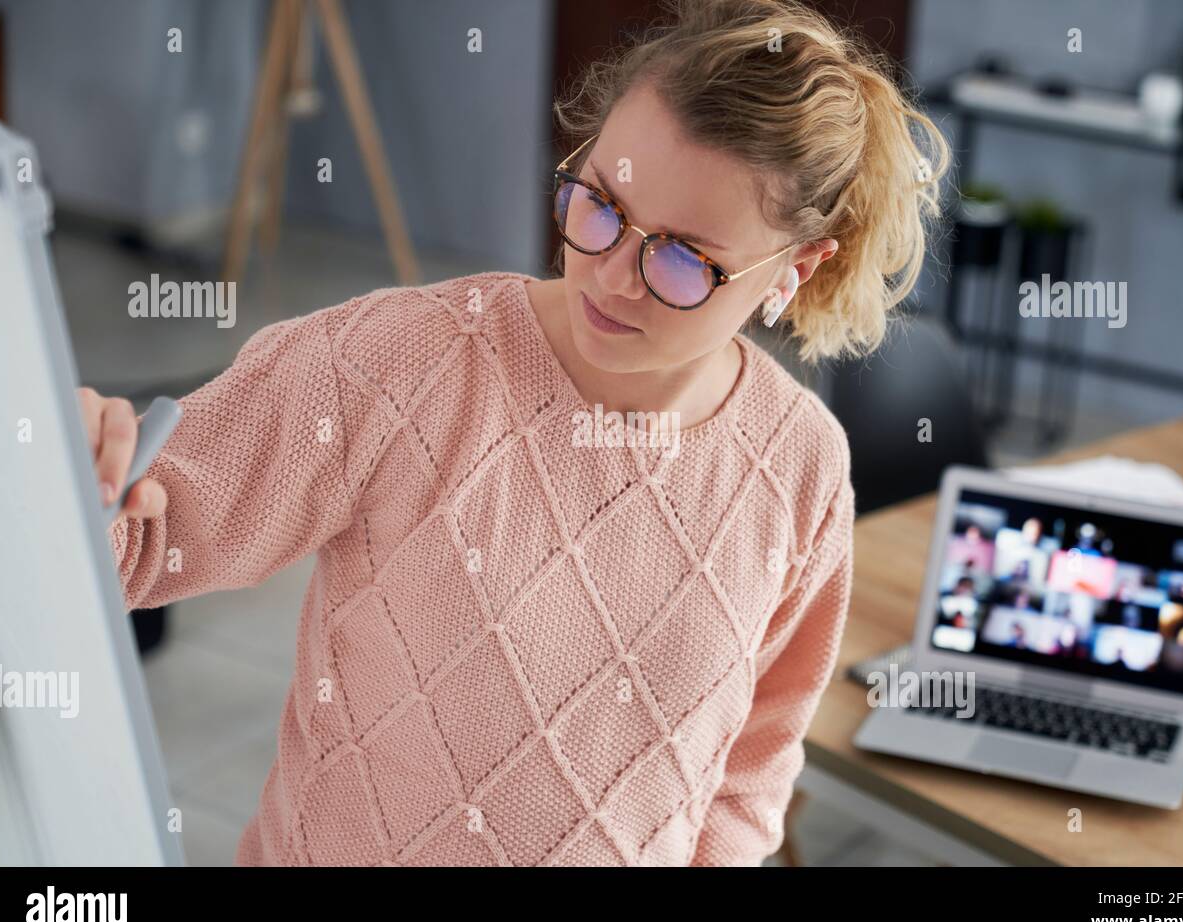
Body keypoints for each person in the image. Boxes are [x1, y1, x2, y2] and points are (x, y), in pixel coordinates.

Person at [77, 0, 946, 866]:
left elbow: (747, 774)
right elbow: (134, 546)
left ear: (793, 271)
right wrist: (69, 473)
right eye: (601, 203)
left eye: (683, 257)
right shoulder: (398, 362)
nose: (610, 275)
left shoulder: (799, 465)